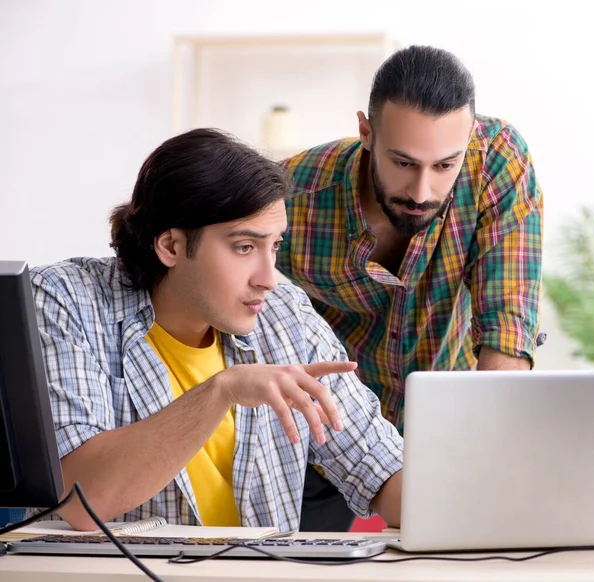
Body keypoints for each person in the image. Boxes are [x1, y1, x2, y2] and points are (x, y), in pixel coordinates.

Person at [29, 128, 403, 533]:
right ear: (170, 246)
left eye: (274, 246)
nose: (268, 278)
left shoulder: (284, 313)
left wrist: (467, 516)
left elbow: (379, 465)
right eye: (244, 247)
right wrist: (221, 389)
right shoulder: (66, 299)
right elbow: (82, 499)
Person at [276, 45, 544, 530]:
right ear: (366, 132)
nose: (422, 192)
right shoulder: (293, 195)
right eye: (402, 163)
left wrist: (499, 467)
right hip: (325, 443)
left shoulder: (496, 163)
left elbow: (507, 326)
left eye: (445, 166)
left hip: (452, 434)